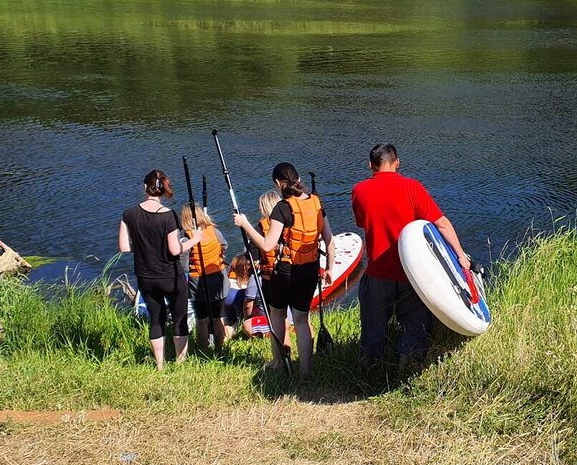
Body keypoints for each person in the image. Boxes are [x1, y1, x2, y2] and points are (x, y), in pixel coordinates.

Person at [351, 143, 470, 368]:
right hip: (412, 272)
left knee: (373, 326)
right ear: (397, 163)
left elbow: (361, 222)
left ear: (371, 166)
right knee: (415, 322)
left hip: (378, 272)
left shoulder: (359, 191)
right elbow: (441, 224)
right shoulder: (412, 187)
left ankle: (368, 368)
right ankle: (408, 366)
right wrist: (461, 256)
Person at [233, 163, 333, 376]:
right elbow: (329, 241)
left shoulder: (282, 208)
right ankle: (306, 370)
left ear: (278, 184)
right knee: (302, 320)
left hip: (286, 272)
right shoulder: (316, 203)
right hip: (310, 270)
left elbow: (267, 245)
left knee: (277, 315)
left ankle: (279, 363)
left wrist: (245, 224)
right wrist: (330, 268)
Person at [118, 170, 203, 371]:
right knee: (180, 317)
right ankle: (180, 364)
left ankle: (160, 366)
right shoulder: (169, 216)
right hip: (170, 276)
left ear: (144, 187)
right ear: (163, 190)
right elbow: (175, 249)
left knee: (156, 319)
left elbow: (123, 247)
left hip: (145, 276)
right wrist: (194, 240)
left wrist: (142, 246)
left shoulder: (129, 213)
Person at [180, 204, 228, 352]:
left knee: (201, 319)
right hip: (219, 280)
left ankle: (203, 350)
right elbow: (224, 246)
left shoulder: (185, 237)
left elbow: (183, 265)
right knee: (217, 317)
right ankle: (220, 350)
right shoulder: (214, 231)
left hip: (197, 283)